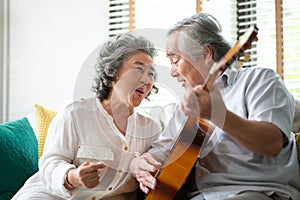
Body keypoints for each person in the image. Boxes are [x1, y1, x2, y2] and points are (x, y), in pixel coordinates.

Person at [130, 12, 300, 200]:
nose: (172, 72)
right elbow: (162, 151)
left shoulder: (259, 80)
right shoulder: (188, 105)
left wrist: (217, 114)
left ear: (207, 54)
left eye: (175, 61)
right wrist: (139, 163)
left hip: (257, 192)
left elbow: (271, 143)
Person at [12, 33, 161, 200]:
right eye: (138, 68)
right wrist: (73, 176)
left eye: (151, 74)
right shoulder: (75, 114)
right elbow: (50, 164)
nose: (146, 80)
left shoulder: (151, 129)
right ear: (113, 71)